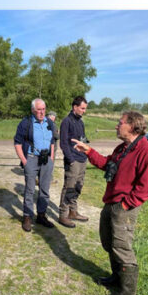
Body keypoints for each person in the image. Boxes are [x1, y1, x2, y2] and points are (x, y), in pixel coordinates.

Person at [71, 111, 148, 295]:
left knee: (122, 247)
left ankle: (127, 294)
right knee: (109, 241)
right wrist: (88, 151)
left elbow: (147, 187)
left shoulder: (146, 151)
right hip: (111, 202)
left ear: (132, 126)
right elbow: (107, 163)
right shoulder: (123, 148)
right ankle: (116, 278)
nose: (117, 126)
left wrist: (125, 205)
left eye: (120, 123)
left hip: (125, 207)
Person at [14, 98, 57, 232]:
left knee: (44, 189)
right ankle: (27, 217)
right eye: (39, 109)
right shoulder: (25, 123)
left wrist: (51, 157)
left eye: (43, 109)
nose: (41, 112)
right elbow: (17, 143)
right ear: (33, 110)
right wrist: (25, 161)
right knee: (30, 190)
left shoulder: (49, 122)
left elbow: (53, 140)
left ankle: (42, 216)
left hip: (46, 160)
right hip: (31, 158)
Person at [58, 96, 90, 228]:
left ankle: (73, 211)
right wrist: (70, 160)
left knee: (78, 186)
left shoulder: (80, 122)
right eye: (82, 108)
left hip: (82, 158)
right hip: (73, 160)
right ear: (75, 107)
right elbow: (64, 143)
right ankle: (63, 215)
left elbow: (82, 138)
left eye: (85, 109)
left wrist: (86, 147)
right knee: (69, 186)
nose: (84, 111)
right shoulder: (66, 121)